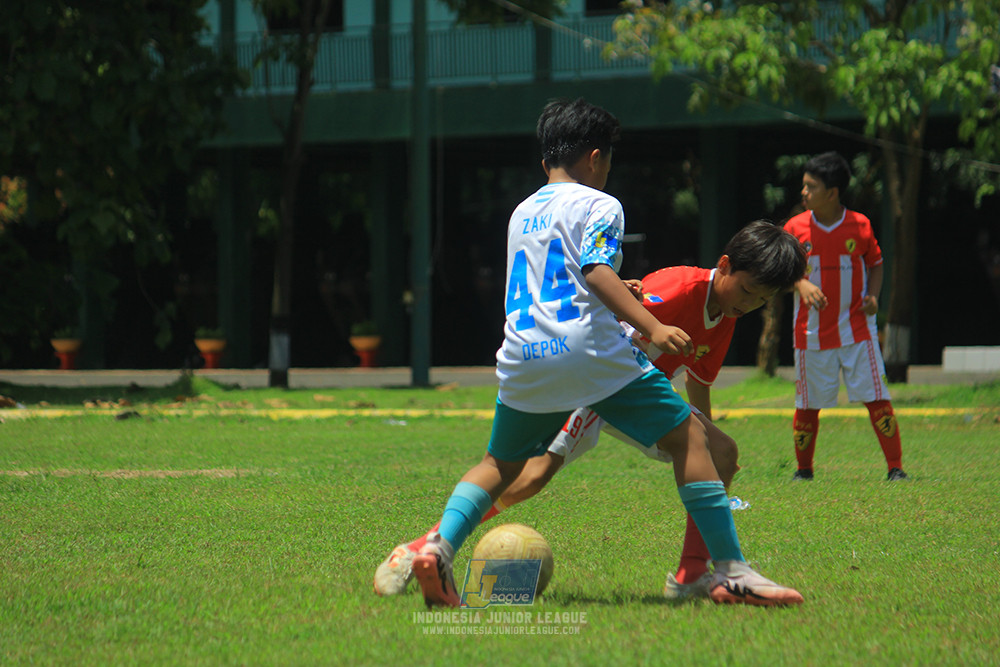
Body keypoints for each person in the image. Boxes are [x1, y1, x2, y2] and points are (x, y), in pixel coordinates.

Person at [382, 97, 804, 608]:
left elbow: (559, 278)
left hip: (523, 351)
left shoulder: (522, 211)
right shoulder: (602, 204)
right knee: (692, 438)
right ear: (596, 158)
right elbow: (595, 270)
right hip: (589, 351)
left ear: (547, 160)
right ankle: (730, 571)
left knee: (500, 464)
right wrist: (654, 326)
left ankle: (436, 548)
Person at [783, 151, 908, 482]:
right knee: (807, 403)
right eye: (804, 185)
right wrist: (801, 283)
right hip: (810, 333)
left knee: (876, 397)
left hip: (856, 329)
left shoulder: (860, 225)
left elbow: (876, 264)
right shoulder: (795, 228)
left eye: (811, 186)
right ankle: (803, 471)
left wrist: (873, 297)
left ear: (832, 192)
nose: (804, 192)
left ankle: (895, 468)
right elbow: (779, 270)